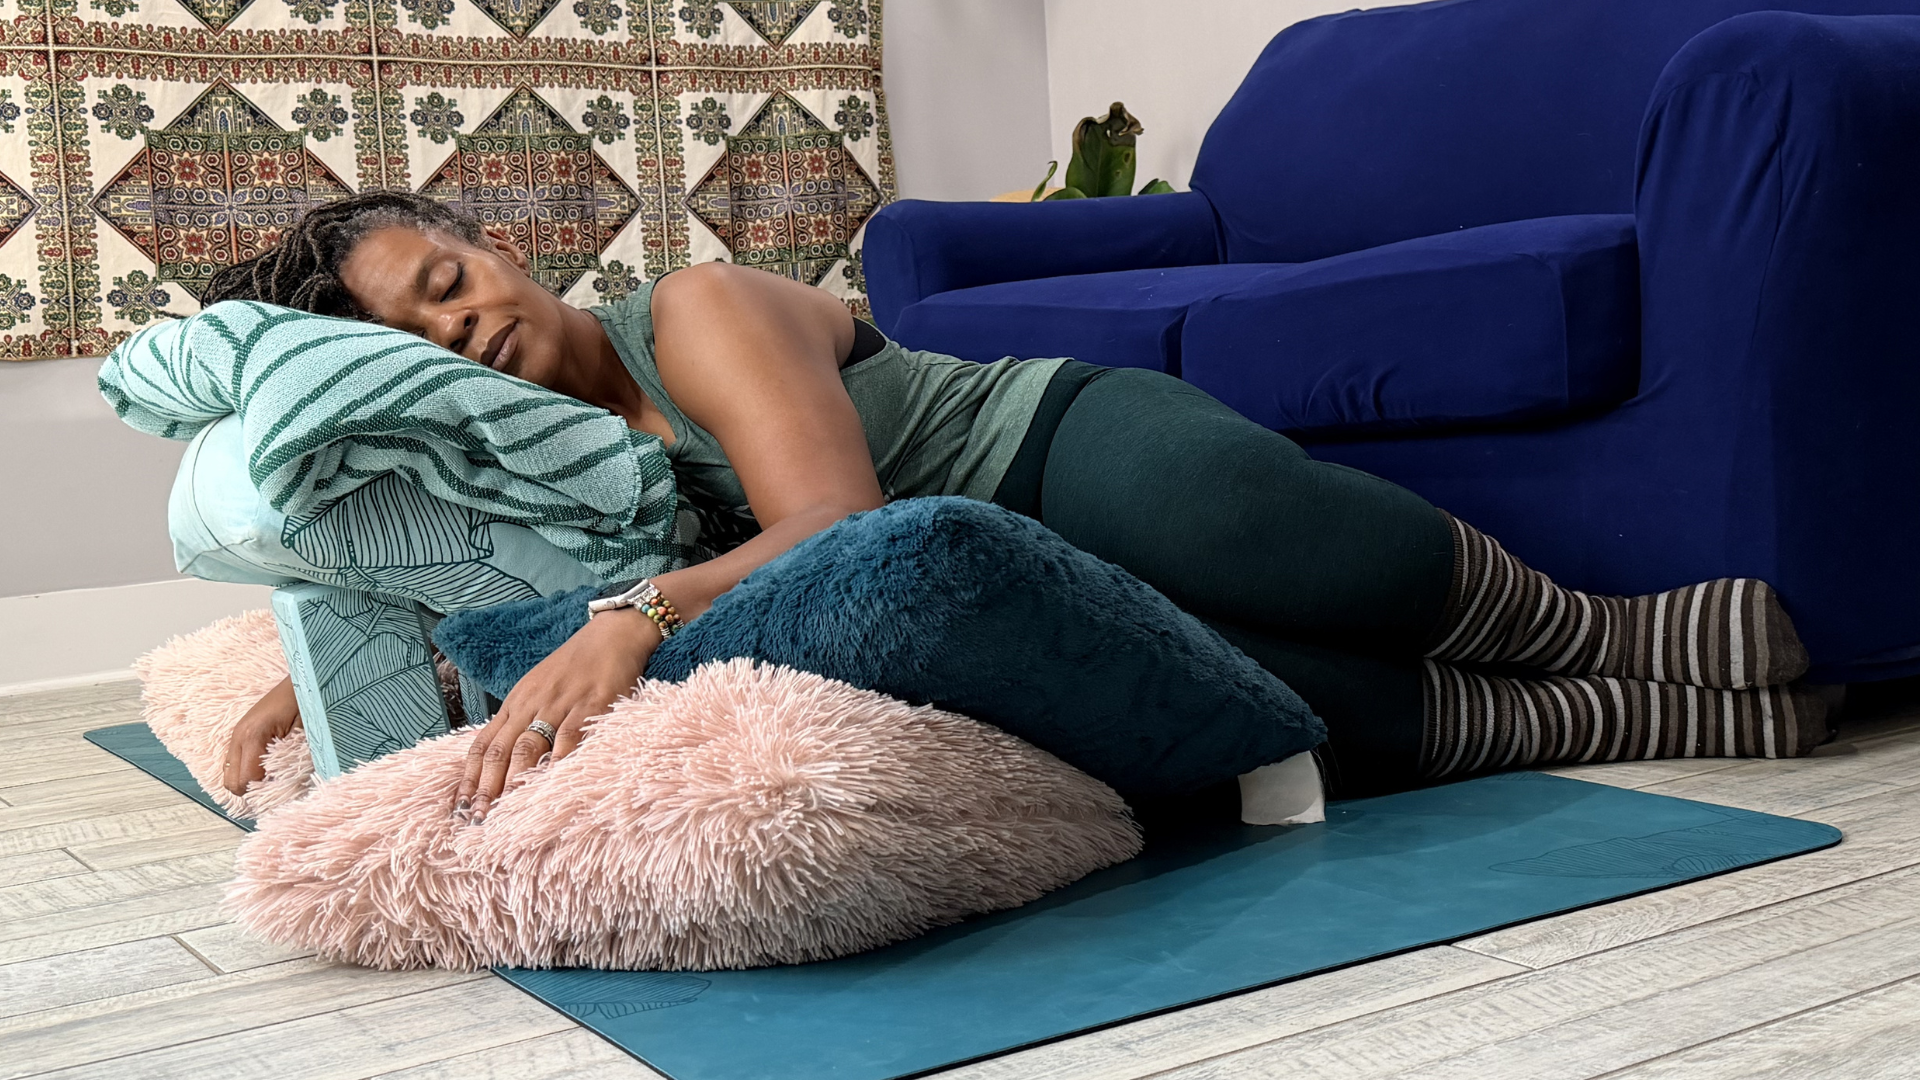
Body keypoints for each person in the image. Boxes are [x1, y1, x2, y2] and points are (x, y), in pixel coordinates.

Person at [211, 192, 1827, 821]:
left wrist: (630, 616)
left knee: (1259, 530)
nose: (458, 323)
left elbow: (835, 519)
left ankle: (1599, 629)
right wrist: (356, 652)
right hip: (984, 590)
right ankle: (1610, 710)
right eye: (413, 342)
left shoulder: (689, 310)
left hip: (1036, 449)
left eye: (447, 279)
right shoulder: (514, 478)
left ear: (498, 243)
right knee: (1234, 713)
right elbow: (476, 595)